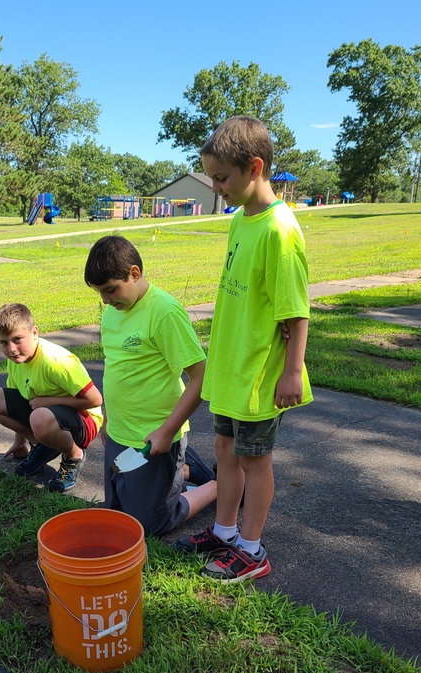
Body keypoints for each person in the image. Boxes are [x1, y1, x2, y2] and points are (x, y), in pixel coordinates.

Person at [175, 115, 313, 583]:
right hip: (232, 366)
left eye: (221, 177)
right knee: (225, 451)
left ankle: (252, 550)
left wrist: (292, 371)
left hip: (260, 374)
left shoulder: (280, 230)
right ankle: (225, 532)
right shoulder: (242, 221)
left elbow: (295, 312)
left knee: (255, 461)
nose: (215, 187)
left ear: (255, 167)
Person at [84, 235, 218, 537]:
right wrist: (108, 419)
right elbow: (116, 370)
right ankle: (183, 470)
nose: (105, 300)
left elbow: (201, 376)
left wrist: (168, 431)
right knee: (117, 512)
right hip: (120, 432)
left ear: (134, 273)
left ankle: (216, 485)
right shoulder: (112, 312)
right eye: (100, 293)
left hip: (154, 437)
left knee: (149, 524)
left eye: (110, 290)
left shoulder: (164, 312)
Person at [0, 303, 102, 493]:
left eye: (17, 339)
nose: (11, 349)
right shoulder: (16, 360)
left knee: (40, 417)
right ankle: (42, 445)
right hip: (46, 415)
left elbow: (95, 400)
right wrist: (19, 444)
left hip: (84, 420)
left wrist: (49, 401)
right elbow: (19, 397)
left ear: (34, 332)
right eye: (3, 342)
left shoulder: (55, 361)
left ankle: (74, 455)